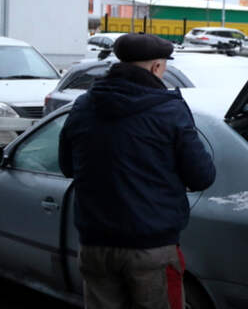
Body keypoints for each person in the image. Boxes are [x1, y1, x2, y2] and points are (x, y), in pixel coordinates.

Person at [58, 33, 216, 309]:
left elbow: (67, 166)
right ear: (156, 67)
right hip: (151, 247)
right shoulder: (170, 110)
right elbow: (201, 176)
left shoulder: (84, 106)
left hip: (95, 245)